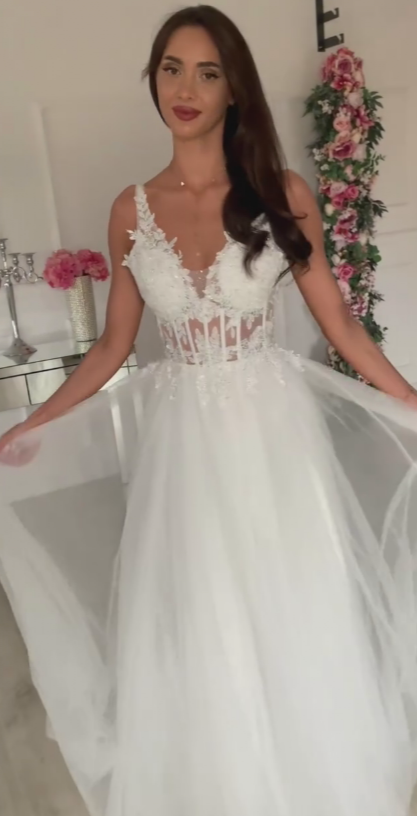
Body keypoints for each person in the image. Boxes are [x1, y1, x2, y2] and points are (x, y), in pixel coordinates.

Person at [1, 5, 417, 816]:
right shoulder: (131, 208)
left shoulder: (280, 193)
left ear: (233, 90)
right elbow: (112, 346)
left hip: (273, 432)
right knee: (200, 611)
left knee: (290, 599)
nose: (184, 88)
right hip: (182, 443)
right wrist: (32, 423)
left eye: (207, 72)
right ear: (152, 79)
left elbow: (339, 325)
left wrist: (410, 403)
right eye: (170, 68)